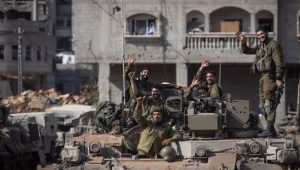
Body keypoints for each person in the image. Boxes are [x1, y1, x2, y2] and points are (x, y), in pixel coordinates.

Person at [236, 27, 284, 137]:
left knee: (269, 104)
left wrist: (279, 79)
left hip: (270, 77)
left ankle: (270, 128)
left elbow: (279, 63)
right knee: (262, 105)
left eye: (262, 34)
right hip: (262, 77)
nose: (260, 36)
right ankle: (269, 129)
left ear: (266, 33)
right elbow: (246, 51)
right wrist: (243, 42)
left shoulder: (274, 45)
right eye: (258, 35)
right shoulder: (260, 46)